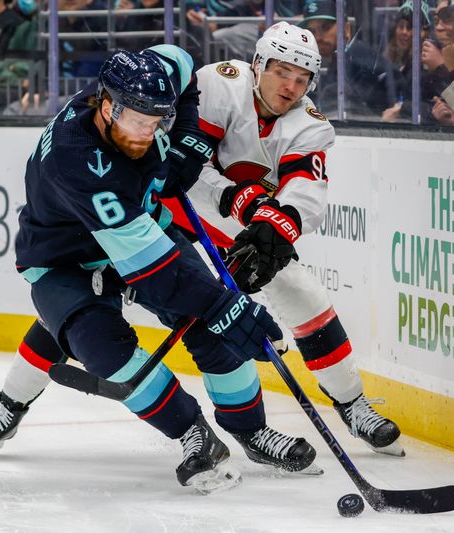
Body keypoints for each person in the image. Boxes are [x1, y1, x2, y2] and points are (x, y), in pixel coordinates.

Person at [0, 45, 318, 490]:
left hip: (141, 223)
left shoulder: (140, 82)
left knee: (206, 327)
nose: (146, 134)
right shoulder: (80, 162)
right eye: (136, 122)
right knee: (98, 339)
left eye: (155, 121)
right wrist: (227, 306)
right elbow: (159, 274)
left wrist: (185, 138)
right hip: (63, 258)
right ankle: (192, 432)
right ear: (107, 107)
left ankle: (251, 430)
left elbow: (181, 66)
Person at [165, 22, 405, 457]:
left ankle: (351, 404)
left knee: (303, 294)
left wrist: (277, 225)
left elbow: (305, 194)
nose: (291, 86)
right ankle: (13, 400)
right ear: (258, 65)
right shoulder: (220, 86)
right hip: (173, 214)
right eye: (282, 72)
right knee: (85, 289)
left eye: (302, 78)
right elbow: (186, 173)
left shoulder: (308, 125)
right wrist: (246, 201)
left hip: (236, 229)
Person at [299, 0, 402, 118]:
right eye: (312, 31)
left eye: (325, 27)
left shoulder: (362, 62)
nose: (318, 37)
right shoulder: (339, 60)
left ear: (346, 28)